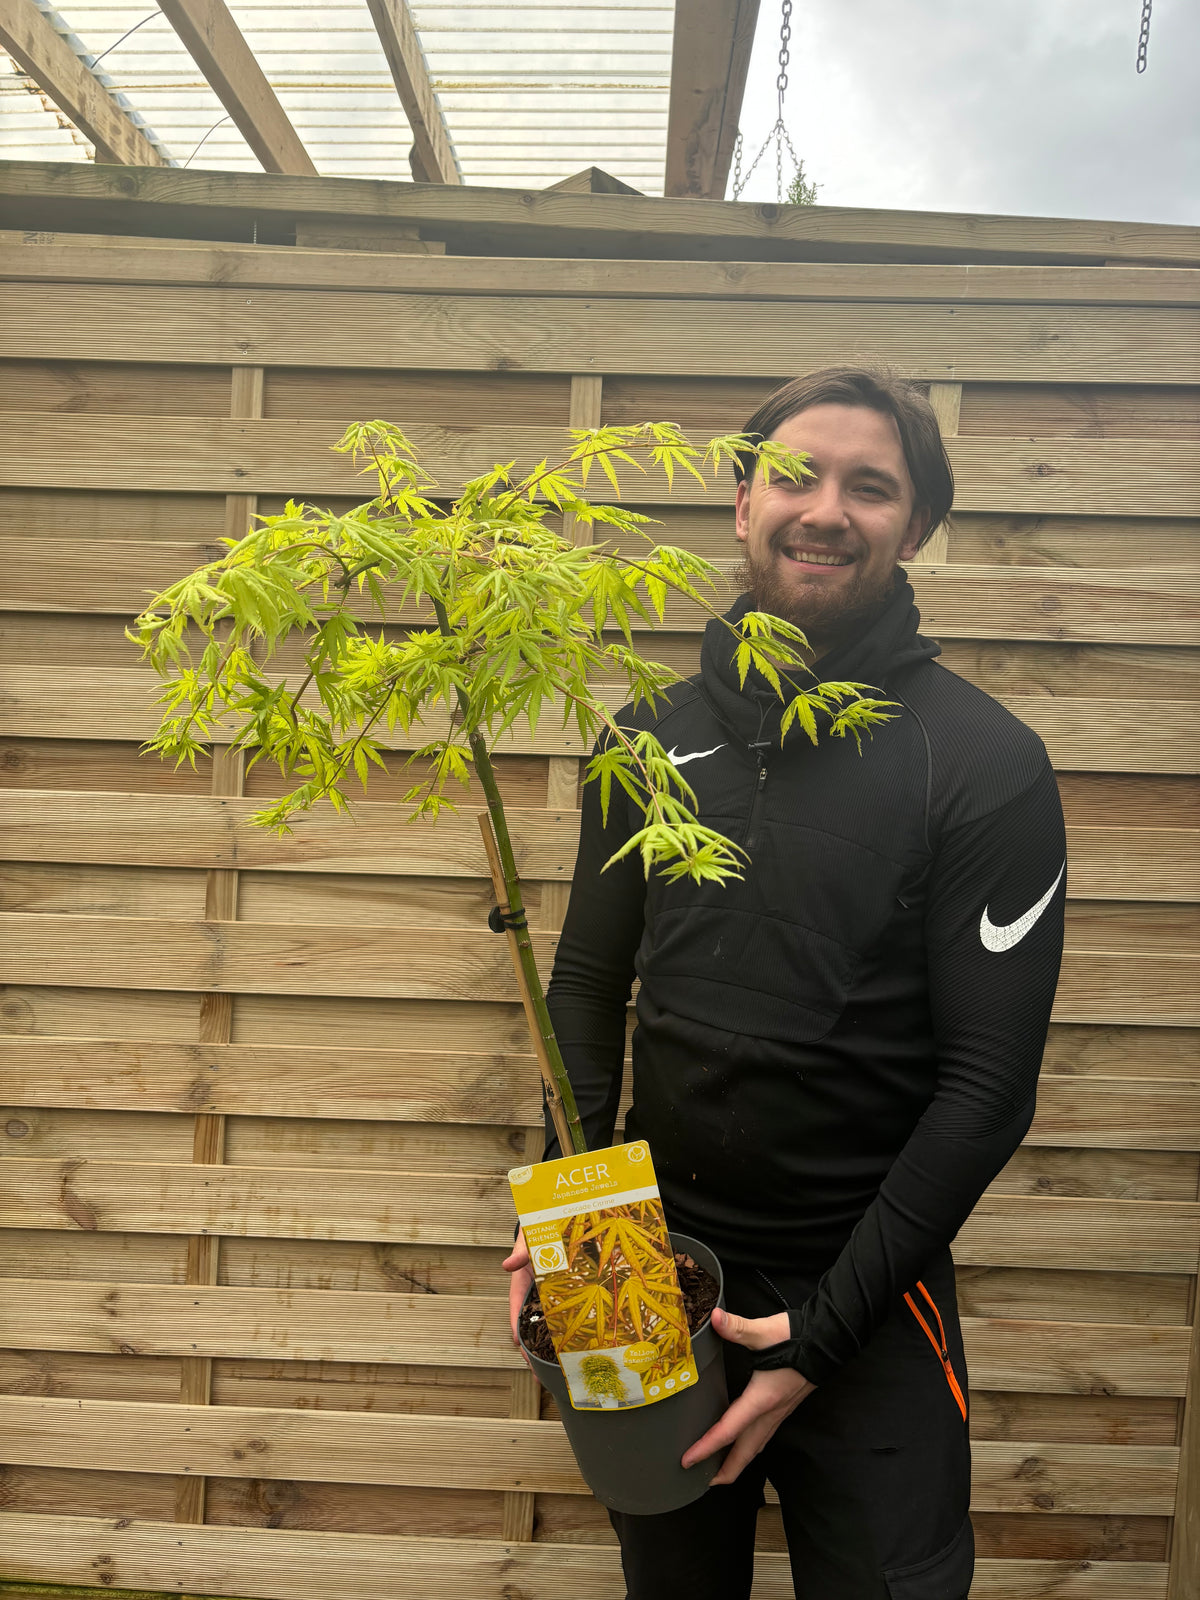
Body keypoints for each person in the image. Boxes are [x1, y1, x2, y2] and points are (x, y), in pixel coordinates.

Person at [504, 366, 1067, 1599]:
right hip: (651, 1271)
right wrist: (564, 1232)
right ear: (741, 497)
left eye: (872, 487)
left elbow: (986, 1089)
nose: (827, 508)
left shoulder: (983, 764)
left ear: (914, 527)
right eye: (796, 474)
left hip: (872, 1299)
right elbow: (589, 990)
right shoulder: (646, 738)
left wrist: (821, 1333)